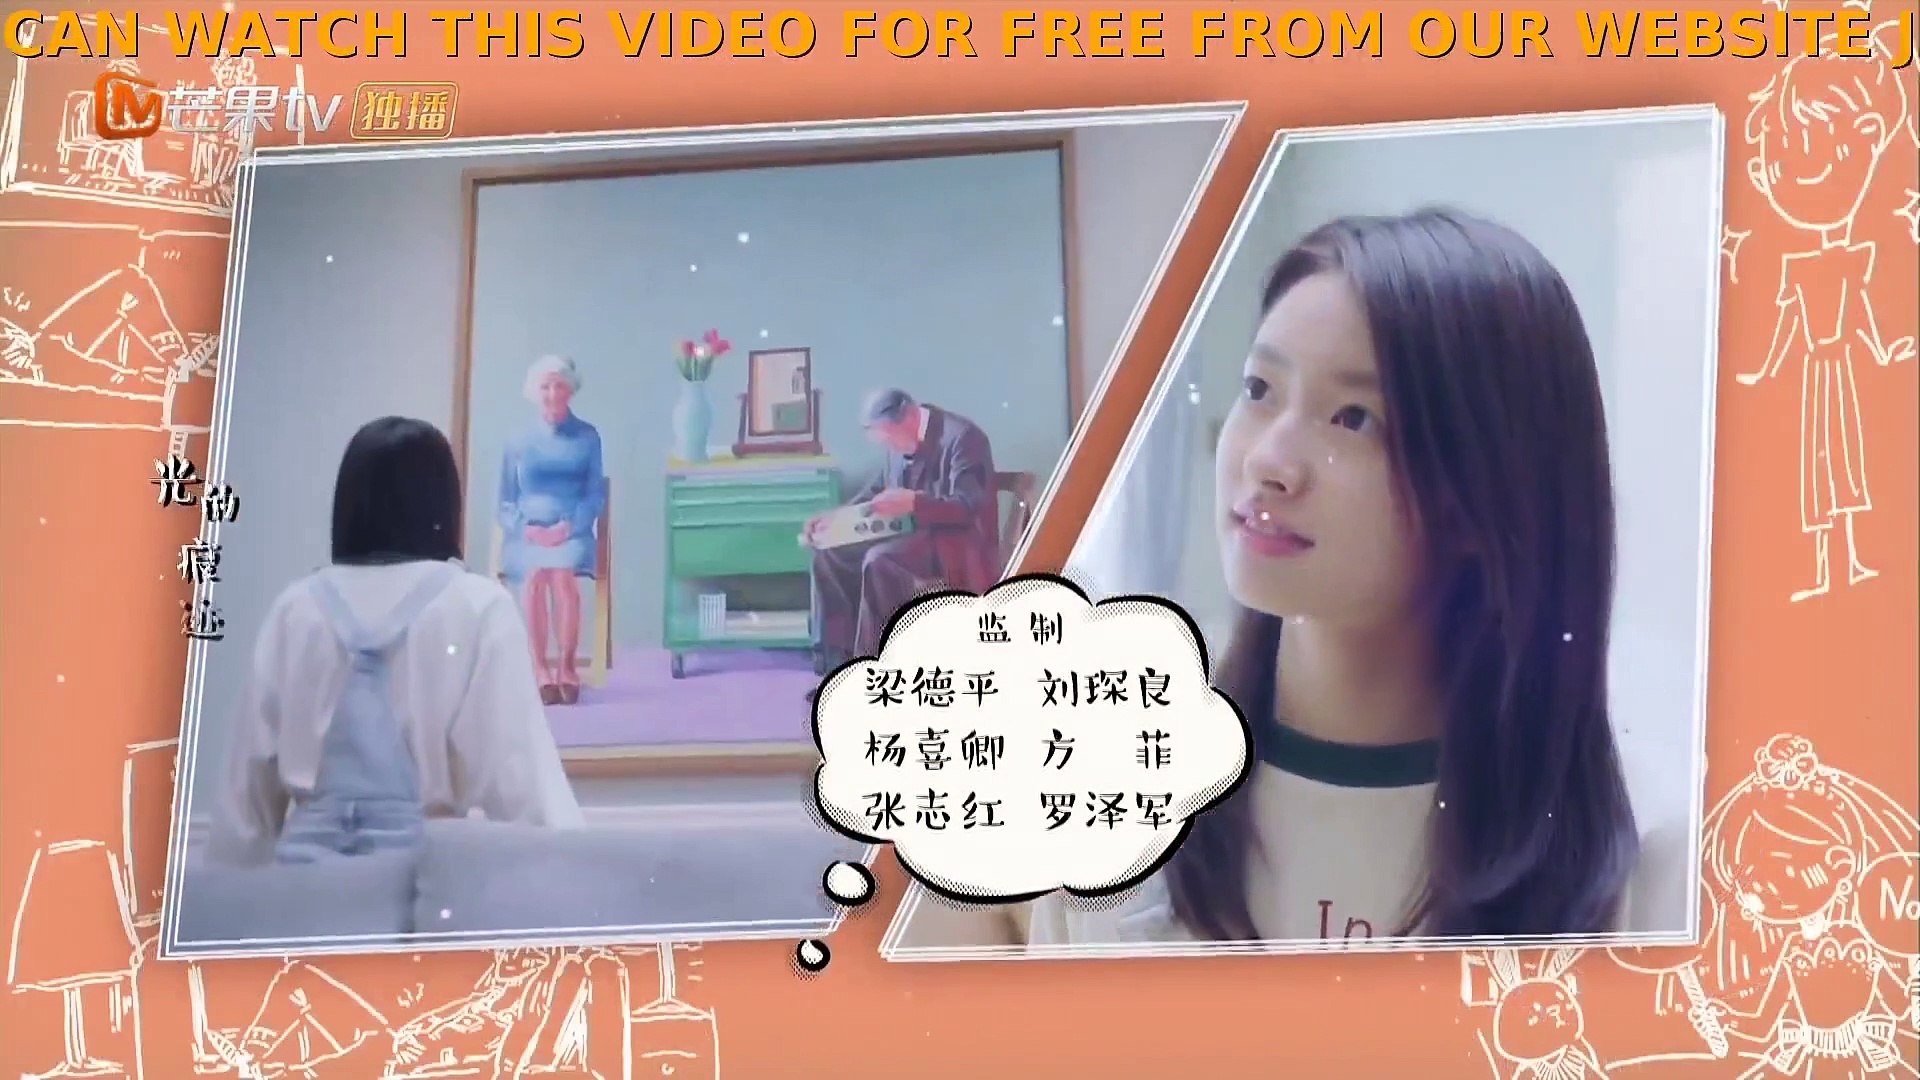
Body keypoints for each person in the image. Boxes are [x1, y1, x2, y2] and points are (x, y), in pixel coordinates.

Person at [902, 209, 1690, 949]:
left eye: (1354, 418)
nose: (1267, 460)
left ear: (1490, 488)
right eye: (1259, 390)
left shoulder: (1652, 864)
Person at [210, 416, 583, 867]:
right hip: (424, 890)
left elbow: (243, 811)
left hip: (303, 893)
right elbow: (526, 789)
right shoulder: (477, 607)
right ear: (445, 505)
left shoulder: (295, 610)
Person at [804, 388, 999, 677]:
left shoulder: (964, 438)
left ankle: (873, 667)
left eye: (889, 436)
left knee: (879, 560)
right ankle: (837, 665)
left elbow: (969, 506)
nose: (889, 445)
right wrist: (836, 519)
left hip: (956, 543)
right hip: (910, 535)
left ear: (909, 417)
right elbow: (878, 491)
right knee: (829, 553)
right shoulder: (901, 440)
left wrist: (915, 502)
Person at [498, 354, 606, 705]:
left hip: (571, 530)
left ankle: (568, 667)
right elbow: (505, 500)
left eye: (559, 386)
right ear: (535, 391)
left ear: (570, 390)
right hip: (527, 532)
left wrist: (570, 526)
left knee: (562, 574)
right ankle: (540, 667)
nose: (553, 393)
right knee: (535, 574)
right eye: (545, 387)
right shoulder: (518, 439)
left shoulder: (588, 436)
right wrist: (525, 529)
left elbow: (594, 494)